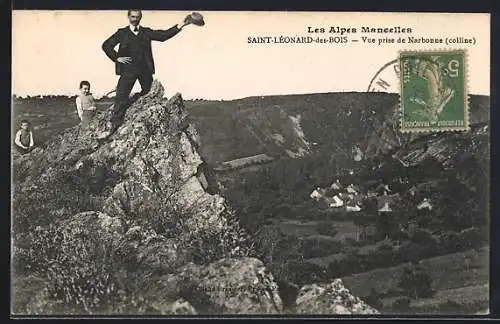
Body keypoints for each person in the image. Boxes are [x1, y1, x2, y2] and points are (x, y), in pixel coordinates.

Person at [97, 10, 199, 140]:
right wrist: (116, 58)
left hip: (145, 70)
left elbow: (163, 35)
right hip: (128, 71)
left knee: (150, 93)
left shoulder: (146, 32)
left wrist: (181, 25)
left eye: (138, 17)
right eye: (133, 17)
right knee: (121, 97)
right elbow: (106, 45)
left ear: (141, 18)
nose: (135, 19)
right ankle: (114, 126)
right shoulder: (122, 33)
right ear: (128, 17)